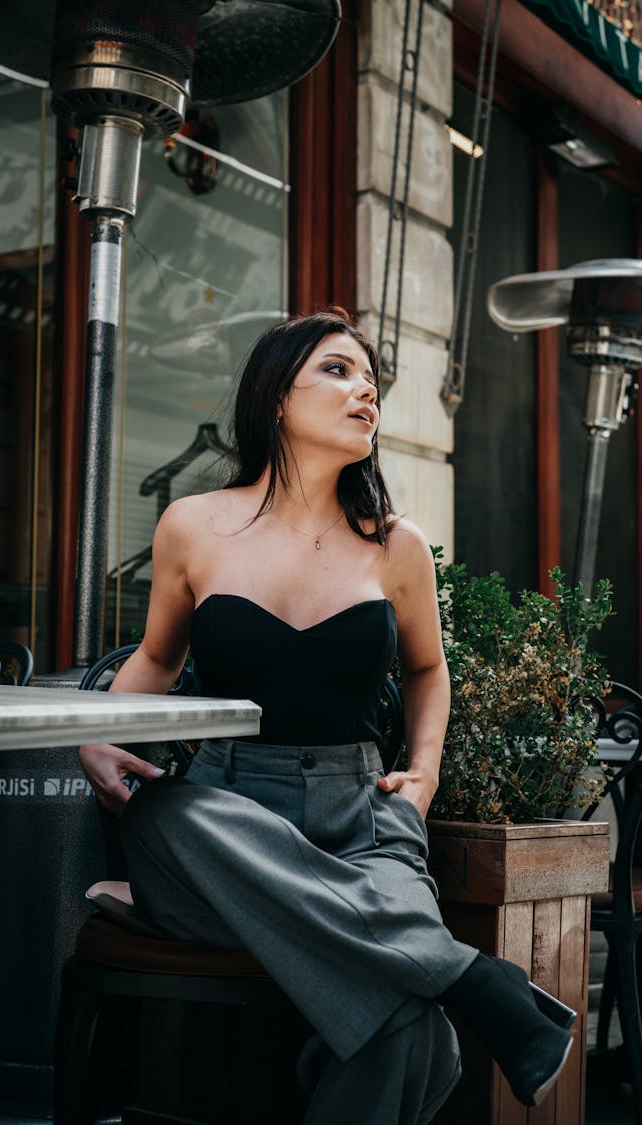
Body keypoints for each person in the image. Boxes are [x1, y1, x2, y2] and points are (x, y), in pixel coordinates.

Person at [80, 308, 574, 1125]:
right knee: (166, 813)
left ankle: (423, 973)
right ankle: (462, 972)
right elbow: (159, 659)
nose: (366, 391)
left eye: (371, 379)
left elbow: (427, 668)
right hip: (226, 815)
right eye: (338, 371)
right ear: (276, 397)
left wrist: (426, 767)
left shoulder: (396, 546)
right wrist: (95, 734)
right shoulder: (194, 525)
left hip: (361, 813)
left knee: (401, 1023)